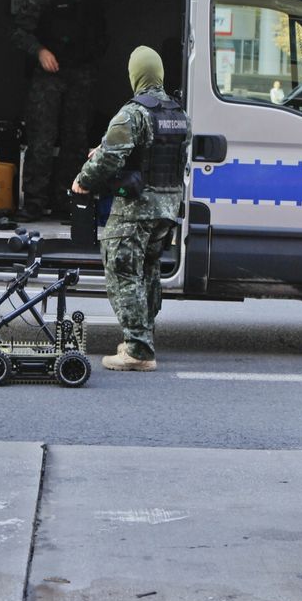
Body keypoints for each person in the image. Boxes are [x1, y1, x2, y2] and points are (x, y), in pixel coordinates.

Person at [11, 0, 185, 222]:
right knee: (41, 139)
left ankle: (67, 200)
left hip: (82, 73)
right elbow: (18, 31)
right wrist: (39, 50)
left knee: (75, 140)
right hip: (49, 75)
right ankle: (33, 203)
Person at [71, 46, 190, 371]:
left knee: (122, 270)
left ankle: (138, 351)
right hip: (167, 208)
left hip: (137, 207)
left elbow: (111, 156)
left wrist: (83, 181)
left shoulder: (133, 113)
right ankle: (143, 338)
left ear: (136, 75)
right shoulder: (178, 114)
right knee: (147, 272)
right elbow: (151, 153)